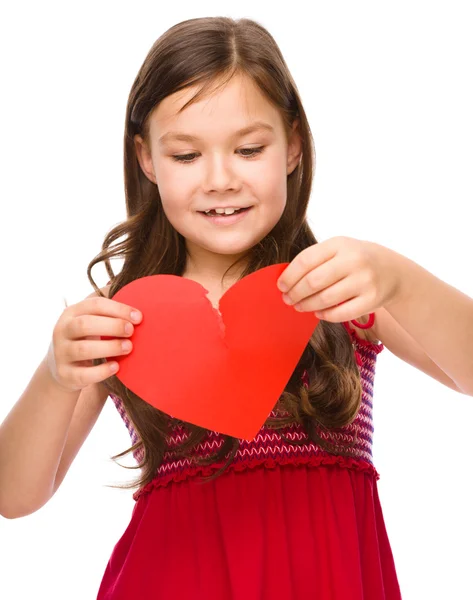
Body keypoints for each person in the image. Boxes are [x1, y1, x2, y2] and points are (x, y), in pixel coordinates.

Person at [1, 15, 472, 600]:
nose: (220, 179)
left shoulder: (339, 290)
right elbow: (15, 496)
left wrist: (401, 280)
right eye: (187, 155)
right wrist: (53, 374)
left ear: (293, 144)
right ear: (147, 159)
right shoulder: (122, 319)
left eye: (249, 149)